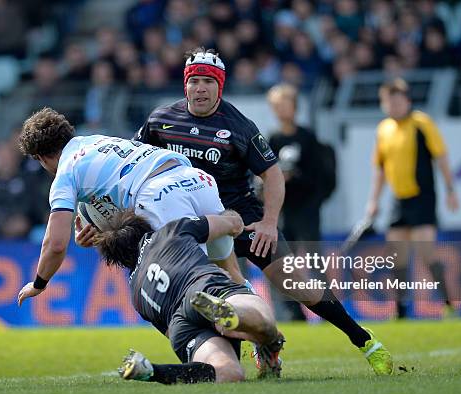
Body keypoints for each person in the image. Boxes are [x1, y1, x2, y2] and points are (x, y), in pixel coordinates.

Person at [134, 47, 393, 375]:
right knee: (220, 294)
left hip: (242, 219)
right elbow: (135, 165)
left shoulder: (238, 126)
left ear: (220, 86)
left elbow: (271, 174)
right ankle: (254, 352)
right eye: (194, 81)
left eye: (208, 82)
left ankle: (364, 340)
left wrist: (269, 222)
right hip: (196, 228)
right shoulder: (160, 121)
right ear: (185, 85)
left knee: (294, 283)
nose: (200, 88)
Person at [16, 107, 243, 306]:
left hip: (161, 194)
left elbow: (55, 245)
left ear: (40, 158)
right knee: (232, 272)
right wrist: (99, 233)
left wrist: (39, 283)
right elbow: (123, 183)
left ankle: (214, 343)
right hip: (196, 179)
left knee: (188, 281)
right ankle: (261, 336)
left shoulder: (65, 174)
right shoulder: (98, 141)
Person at [95, 210, 284, 383]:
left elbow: (169, 333)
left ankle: (152, 371)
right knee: (266, 323)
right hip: (204, 288)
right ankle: (230, 313)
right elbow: (232, 223)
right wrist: (231, 214)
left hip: (182, 326)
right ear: (143, 227)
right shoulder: (170, 231)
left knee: (229, 373)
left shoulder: (135, 293)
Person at [365, 78, 460, 318]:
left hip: (423, 197)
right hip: (399, 200)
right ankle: (400, 310)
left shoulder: (422, 123)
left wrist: (450, 190)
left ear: (407, 101)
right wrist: (374, 201)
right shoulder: (383, 129)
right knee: (397, 257)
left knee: (426, 252)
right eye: (389, 102)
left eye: (398, 101)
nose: (394, 106)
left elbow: (441, 157)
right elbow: (380, 169)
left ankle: (449, 304)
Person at [266, 83, 336, 321]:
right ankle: (293, 312)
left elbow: (318, 177)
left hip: (306, 209)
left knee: (315, 262)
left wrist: (295, 177)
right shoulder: (272, 138)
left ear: (294, 107)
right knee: (285, 264)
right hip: (283, 210)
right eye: (276, 106)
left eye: (284, 105)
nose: (281, 110)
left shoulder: (307, 137)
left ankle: (330, 310)